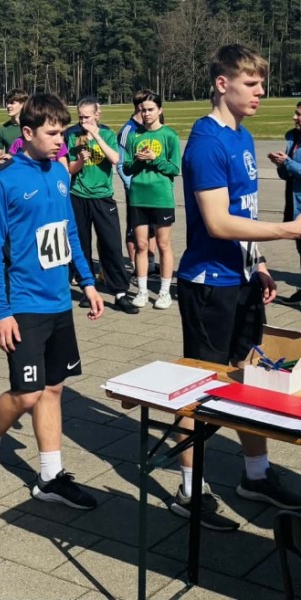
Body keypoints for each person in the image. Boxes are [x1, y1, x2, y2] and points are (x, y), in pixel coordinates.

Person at [173, 44, 301, 531]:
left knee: (252, 376)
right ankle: (189, 490)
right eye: (251, 83)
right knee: (201, 387)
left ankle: (256, 475)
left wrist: (260, 263)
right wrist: (288, 230)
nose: (260, 91)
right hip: (209, 286)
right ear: (222, 83)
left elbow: (242, 212)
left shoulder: (242, 136)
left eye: (262, 83)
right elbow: (218, 222)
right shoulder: (206, 143)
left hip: (242, 279)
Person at [0, 92, 104, 509]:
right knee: (26, 394)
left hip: (58, 301)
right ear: (27, 133)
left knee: (53, 389)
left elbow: (69, 234)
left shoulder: (61, 173)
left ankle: (50, 477)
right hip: (24, 304)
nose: (60, 140)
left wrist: (87, 282)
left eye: (62, 132)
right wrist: (1, 311)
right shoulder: (4, 181)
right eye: (52, 133)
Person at [65, 96, 139, 314]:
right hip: (78, 196)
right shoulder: (73, 135)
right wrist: (80, 160)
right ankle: (88, 289)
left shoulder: (106, 134)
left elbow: (115, 159)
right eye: (80, 117)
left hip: (103, 196)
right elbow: (70, 168)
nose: (83, 121)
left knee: (111, 244)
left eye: (87, 117)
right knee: (82, 245)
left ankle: (120, 292)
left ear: (97, 115)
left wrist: (95, 136)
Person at [124, 92, 180, 310]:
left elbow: (174, 168)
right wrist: (139, 161)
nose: (146, 113)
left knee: (163, 245)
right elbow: (127, 167)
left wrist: (155, 159)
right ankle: (142, 290)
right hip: (138, 196)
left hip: (161, 197)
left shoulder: (169, 135)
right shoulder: (134, 136)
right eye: (143, 110)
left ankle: (164, 292)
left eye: (150, 109)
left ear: (159, 110)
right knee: (141, 245)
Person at [117, 89, 158, 275]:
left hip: (153, 187)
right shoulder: (128, 130)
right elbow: (120, 164)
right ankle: (136, 267)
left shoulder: (152, 126)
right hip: (135, 188)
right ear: (140, 106)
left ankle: (150, 265)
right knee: (134, 228)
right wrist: (132, 185)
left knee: (153, 226)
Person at [268, 101, 301, 305]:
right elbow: (287, 175)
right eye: (295, 113)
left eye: (299, 114)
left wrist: (287, 162)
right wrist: (280, 164)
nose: (294, 117)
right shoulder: (292, 137)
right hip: (294, 202)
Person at [0, 89, 28, 166]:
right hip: (12, 170)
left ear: (23, 104)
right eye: (8, 103)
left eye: (12, 103)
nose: (8, 106)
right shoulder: (1, 130)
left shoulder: (34, 127)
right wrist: (2, 166)